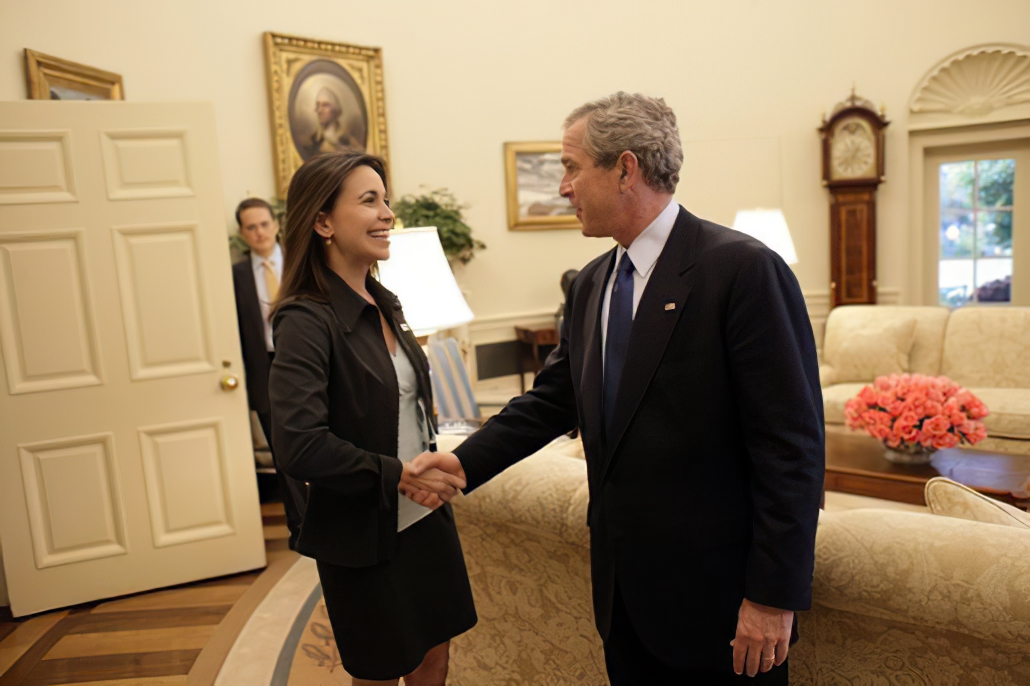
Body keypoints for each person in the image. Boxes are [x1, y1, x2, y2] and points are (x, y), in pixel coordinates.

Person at [408, 92, 824, 684]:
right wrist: (461, 463)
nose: (563, 187)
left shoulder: (742, 271)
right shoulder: (593, 282)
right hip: (622, 598)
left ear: (625, 169)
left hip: (721, 604)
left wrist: (772, 598)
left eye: (572, 167)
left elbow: (793, 447)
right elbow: (553, 399)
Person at [268, 152, 477, 686]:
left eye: (386, 201)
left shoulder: (386, 301)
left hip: (426, 520)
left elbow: (408, 411)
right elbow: (298, 443)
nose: (387, 214)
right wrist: (396, 475)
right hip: (363, 531)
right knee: (382, 669)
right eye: (369, 201)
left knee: (434, 658)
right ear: (322, 222)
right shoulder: (305, 319)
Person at [231, 198, 282, 451]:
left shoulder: (301, 263)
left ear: (276, 225)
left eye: (264, 224)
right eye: (252, 227)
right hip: (264, 370)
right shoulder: (235, 277)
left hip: (308, 361)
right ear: (242, 233)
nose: (260, 232)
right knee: (281, 452)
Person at [305, 87, 363, 157]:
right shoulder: (313, 142)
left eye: (325, 105)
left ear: (335, 110)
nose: (319, 110)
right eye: (318, 105)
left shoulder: (347, 140)